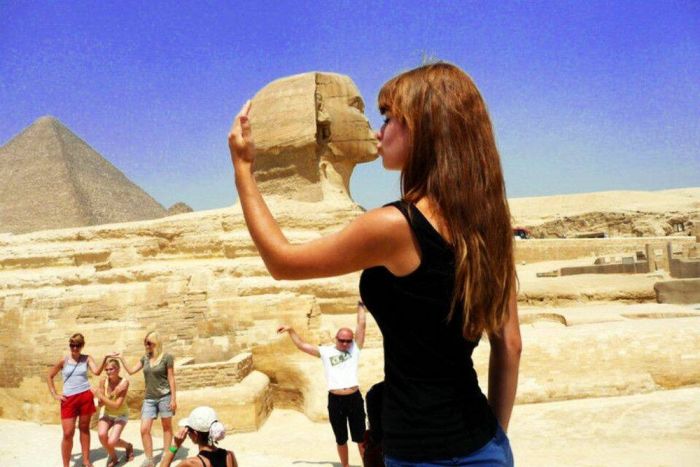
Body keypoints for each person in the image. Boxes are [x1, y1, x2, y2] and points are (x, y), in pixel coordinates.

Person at [229, 61, 521, 466]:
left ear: (423, 129)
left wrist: (243, 170)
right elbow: (510, 344)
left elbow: (282, 262)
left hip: (418, 452)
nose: (378, 130)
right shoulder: (488, 226)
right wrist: (497, 435)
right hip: (484, 445)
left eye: (387, 118)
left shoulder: (393, 226)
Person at [277, 301, 367, 467]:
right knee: (341, 439)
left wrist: (361, 304)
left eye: (348, 341)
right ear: (336, 339)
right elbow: (302, 345)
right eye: (342, 340)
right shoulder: (326, 352)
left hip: (354, 398)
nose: (345, 344)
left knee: (361, 438)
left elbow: (361, 324)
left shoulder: (355, 349)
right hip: (336, 400)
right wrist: (291, 330)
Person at [47, 333, 110, 467]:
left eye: (78, 345)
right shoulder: (64, 360)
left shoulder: (87, 359)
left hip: (85, 396)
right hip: (69, 399)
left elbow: (97, 372)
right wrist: (55, 394)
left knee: (84, 428)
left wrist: (105, 358)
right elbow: (49, 376)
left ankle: (86, 461)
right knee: (68, 433)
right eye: (72, 345)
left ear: (82, 346)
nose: (74, 348)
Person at [118, 331, 177, 467]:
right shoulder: (145, 358)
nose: (146, 345)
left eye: (149, 343)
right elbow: (131, 371)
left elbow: (171, 378)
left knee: (167, 427)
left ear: (156, 342)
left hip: (165, 396)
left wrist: (173, 399)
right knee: (144, 429)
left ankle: (166, 454)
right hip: (149, 398)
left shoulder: (167, 357)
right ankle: (149, 459)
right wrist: (122, 358)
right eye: (145, 343)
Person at [160, 406, 238, 467]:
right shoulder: (230, 456)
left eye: (189, 431)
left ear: (195, 435)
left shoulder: (191, 463)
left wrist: (175, 446)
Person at [93, 358, 134, 467]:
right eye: (106, 369)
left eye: (111, 369)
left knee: (112, 442)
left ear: (118, 369)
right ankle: (114, 457)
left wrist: (101, 396)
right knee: (102, 435)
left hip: (121, 414)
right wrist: (110, 394)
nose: (108, 371)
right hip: (107, 413)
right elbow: (101, 404)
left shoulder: (124, 383)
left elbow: (117, 405)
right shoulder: (103, 381)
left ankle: (128, 446)